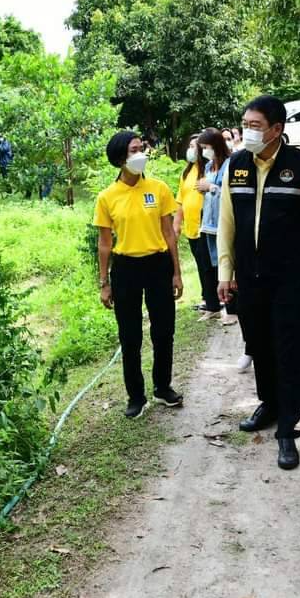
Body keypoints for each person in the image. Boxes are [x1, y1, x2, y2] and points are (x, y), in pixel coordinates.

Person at [217, 96, 300, 470]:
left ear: (277, 129)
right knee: (259, 344)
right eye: (245, 123)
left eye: (255, 125)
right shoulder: (237, 165)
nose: (248, 131)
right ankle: (269, 403)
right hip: (250, 277)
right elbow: (227, 224)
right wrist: (225, 273)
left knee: (288, 350)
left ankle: (288, 430)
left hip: (289, 278)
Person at [94, 131, 185, 418]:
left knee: (164, 331)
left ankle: (163, 387)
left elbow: (168, 232)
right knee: (130, 336)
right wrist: (104, 283)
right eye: (134, 150)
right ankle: (136, 396)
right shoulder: (107, 197)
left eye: (141, 148)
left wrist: (177, 273)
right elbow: (105, 243)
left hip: (158, 265)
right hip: (125, 268)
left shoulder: (158, 189)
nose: (140, 154)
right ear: (120, 158)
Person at [197, 129, 253, 374]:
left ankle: (250, 345)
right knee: (223, 274)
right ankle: (245, 338)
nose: (203, 151)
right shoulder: (209, 165)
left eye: (206, 146)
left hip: (233, 229)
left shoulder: (234, 164)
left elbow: (231, 197)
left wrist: (211, 188)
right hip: (212, 227)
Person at [174, 135, 220, 318]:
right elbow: (180, 200)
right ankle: (209, 301)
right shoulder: (187, 172)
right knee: (202, 266)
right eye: (190, 145)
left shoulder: (207, 169)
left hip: (205, 225)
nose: (191, 149)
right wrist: (176, 225)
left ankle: (214, 304)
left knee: (210, 266)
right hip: (191, 228)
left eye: (195, 146)